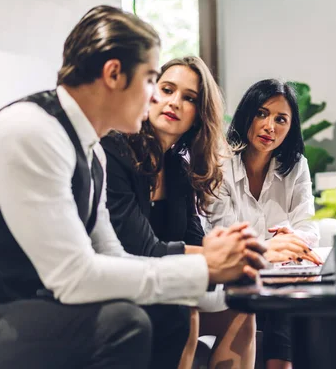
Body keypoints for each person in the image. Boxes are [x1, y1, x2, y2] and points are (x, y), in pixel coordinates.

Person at [0, 5, 265, 369]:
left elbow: (113, 257)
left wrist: (210, 265)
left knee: (170, 311)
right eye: (153, 80)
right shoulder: (32, 133)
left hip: (35, 306)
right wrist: (205, 267)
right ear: (114, 74)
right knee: (122, 324)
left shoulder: (91, 152)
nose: (156, 97)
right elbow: (75, 277)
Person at [101, 56, 255, 369]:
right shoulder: (114, 150)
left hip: (160, 280)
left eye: (189, 98)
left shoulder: (178, 171)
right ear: (150, 94)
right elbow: (139, 248)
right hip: (115, 279)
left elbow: (197, 240)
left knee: (241, 307)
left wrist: (240, 253)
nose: (174, 102)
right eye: (167, 89)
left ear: (199, 116)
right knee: (183, 309)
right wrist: (226, 256)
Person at [207, 79, 321, 369]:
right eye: (262, 113)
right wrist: (273, 247)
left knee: (292, 291)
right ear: (247, 114)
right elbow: (225, 237)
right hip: (236, 280)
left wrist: (290, 242)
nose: (270, 126)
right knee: (288, 293)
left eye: (281, 119)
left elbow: (308, 229)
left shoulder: (296, 166)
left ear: (290, 127)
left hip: (280, 279)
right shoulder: (220, 164)